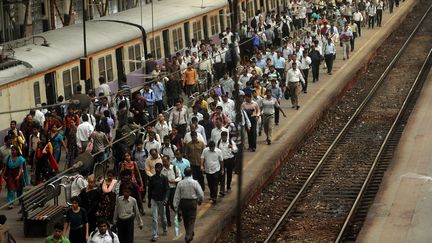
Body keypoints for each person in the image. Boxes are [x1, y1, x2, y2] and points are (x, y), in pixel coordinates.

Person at [173, 167, 204, 243]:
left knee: (186, 220)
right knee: (192, 220)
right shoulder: (195, 183)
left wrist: (175, 206)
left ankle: (189, 233)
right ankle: (188, 235)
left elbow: (177, 196)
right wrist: (200, 200)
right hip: (193, 203)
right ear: (191, 173)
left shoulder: (180, 183)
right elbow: (201, 194)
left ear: (184, 173)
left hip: (183, 203)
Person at [148, 163, 170, 241]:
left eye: (159, 168)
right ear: (155, 168)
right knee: (154, 218)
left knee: (163, 217)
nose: (158, 169)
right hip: (154, 200)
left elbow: (167, 189)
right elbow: (150, 190)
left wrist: (166, 199)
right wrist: (149, 201)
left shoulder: (164, 178)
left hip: (162, 200)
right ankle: (155, 235)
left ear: (161, 169)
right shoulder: (152, 178)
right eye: (156, 168)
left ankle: (165, 229)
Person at [161, 155, 181, 227]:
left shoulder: (175, 168)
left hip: (173, 188)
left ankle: (179, 214)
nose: (164, 163)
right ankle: (168, 221)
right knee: (165, 206)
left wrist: (174, 180)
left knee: (173, 205)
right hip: (166, 190)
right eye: (163, 161)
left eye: (165, 161)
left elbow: (180, 176)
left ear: (169, 161)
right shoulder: (162, 170)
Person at [217, 131, 237, 196]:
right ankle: (222, 190)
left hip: (229, 160)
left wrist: (231, 147)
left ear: (226, 136)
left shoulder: (231, 142)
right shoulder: (219, 142)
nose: (223, 138)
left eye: (224, 137)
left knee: (229, 174)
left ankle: (228, 187)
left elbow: (236, 150)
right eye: (222, 137)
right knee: (222, 174)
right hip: (222, 161)